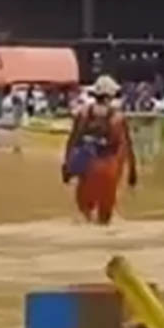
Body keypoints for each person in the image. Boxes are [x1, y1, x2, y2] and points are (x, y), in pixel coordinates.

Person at [62, 75, 137, 226]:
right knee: (104, 219)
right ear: (111, 95)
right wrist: (133, 172)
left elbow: (72, 142)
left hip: (87, 167)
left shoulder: (83, 114)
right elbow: (127, 146)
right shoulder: (118, 118)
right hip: (108, 168)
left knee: (85, 214)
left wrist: (67, 166)